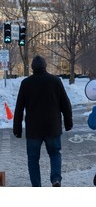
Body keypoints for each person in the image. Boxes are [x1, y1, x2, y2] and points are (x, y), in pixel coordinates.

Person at [13, 55, 73, 187]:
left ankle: (36, 186)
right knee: (55, 153)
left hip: (33, 129)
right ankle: (56, 179)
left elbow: (19, 108)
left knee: (33, 159)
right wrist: (68, 123)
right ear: (45, 66)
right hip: (53, 127)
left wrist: (17, 129)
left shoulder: (26, 83)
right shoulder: (55, 81)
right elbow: (65, 104)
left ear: (33, 68)